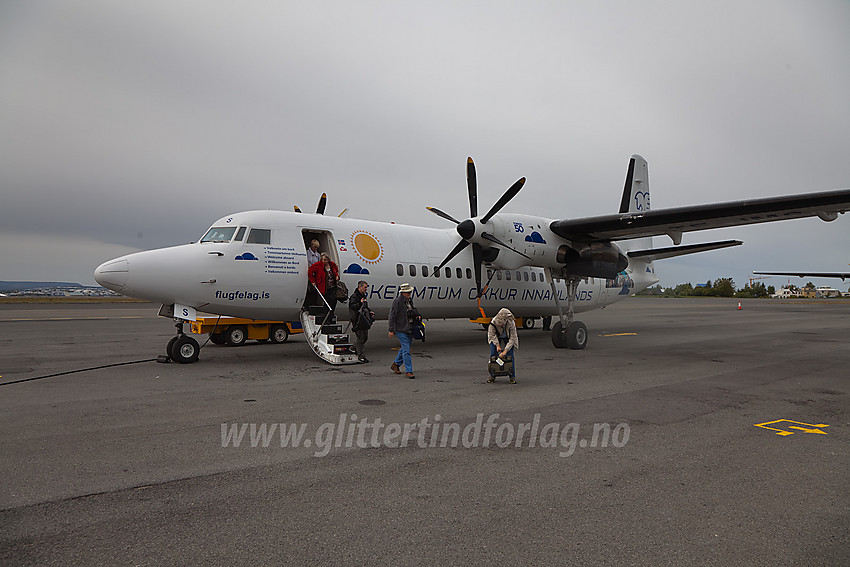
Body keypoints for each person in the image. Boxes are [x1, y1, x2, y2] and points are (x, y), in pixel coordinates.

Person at [388, 282, 418, 379]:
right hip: (400, 328)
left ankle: (396, 364)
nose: (410, 294)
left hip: (409, 327)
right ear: (403, 293)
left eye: (410, 292)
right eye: (408, 292)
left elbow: (413, 310)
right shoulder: (397, 302)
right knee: (406, 350)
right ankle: (409, 371)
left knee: (405, 348)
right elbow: (392, 316)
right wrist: (391, 330)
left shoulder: (409, 301)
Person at [488, 307, 519, 384]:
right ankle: (492, 375)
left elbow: (512, 339)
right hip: (496, 337)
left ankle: (512, 376)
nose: (500, 325)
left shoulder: (511, 323)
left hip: (507, 336)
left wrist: (505, 351)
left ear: (505, 321)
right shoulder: (493, 322)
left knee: (510, 356)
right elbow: (492, 335)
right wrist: (497, 345)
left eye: (501, 324)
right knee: (493, 355)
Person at [348, 280, 373, 363]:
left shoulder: (363, 296)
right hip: (357, 319)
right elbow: (352, 307)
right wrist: (359, 303)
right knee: (361, 338)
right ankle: (361, 356)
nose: (366, 289)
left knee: (365, 337)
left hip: (363, 319)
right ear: (360, 287)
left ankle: (352, 347)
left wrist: (369, 312)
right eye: (365, 287)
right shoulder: (354, 296)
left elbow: (365, 307)